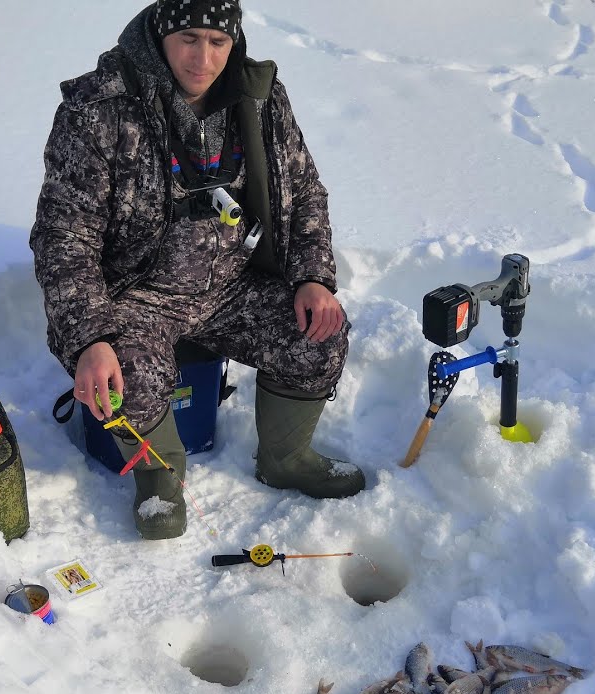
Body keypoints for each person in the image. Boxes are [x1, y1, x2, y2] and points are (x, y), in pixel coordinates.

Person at [30, 0, 365, 540]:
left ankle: (286, 458)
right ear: (161, 33)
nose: (202, 58)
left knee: (319, 336)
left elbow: (304, 193)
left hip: (234, 285)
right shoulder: (99, 107)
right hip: (137, 295)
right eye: (188, 37)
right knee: (123, 380)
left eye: (218, 41)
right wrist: (89, 337)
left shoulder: (260, 97)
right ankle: (159, 485)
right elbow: (64, 237)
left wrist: (312, 278)